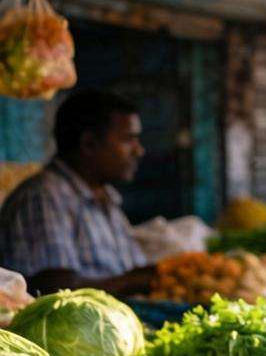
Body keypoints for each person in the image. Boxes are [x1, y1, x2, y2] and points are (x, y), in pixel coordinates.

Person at [0, 90, 152, 295]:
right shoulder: (44, 197)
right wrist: (134, 282)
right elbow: (54, 290)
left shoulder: (104, 197)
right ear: (89, 144)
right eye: (128, 140)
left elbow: (135, 272)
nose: (138, 150)